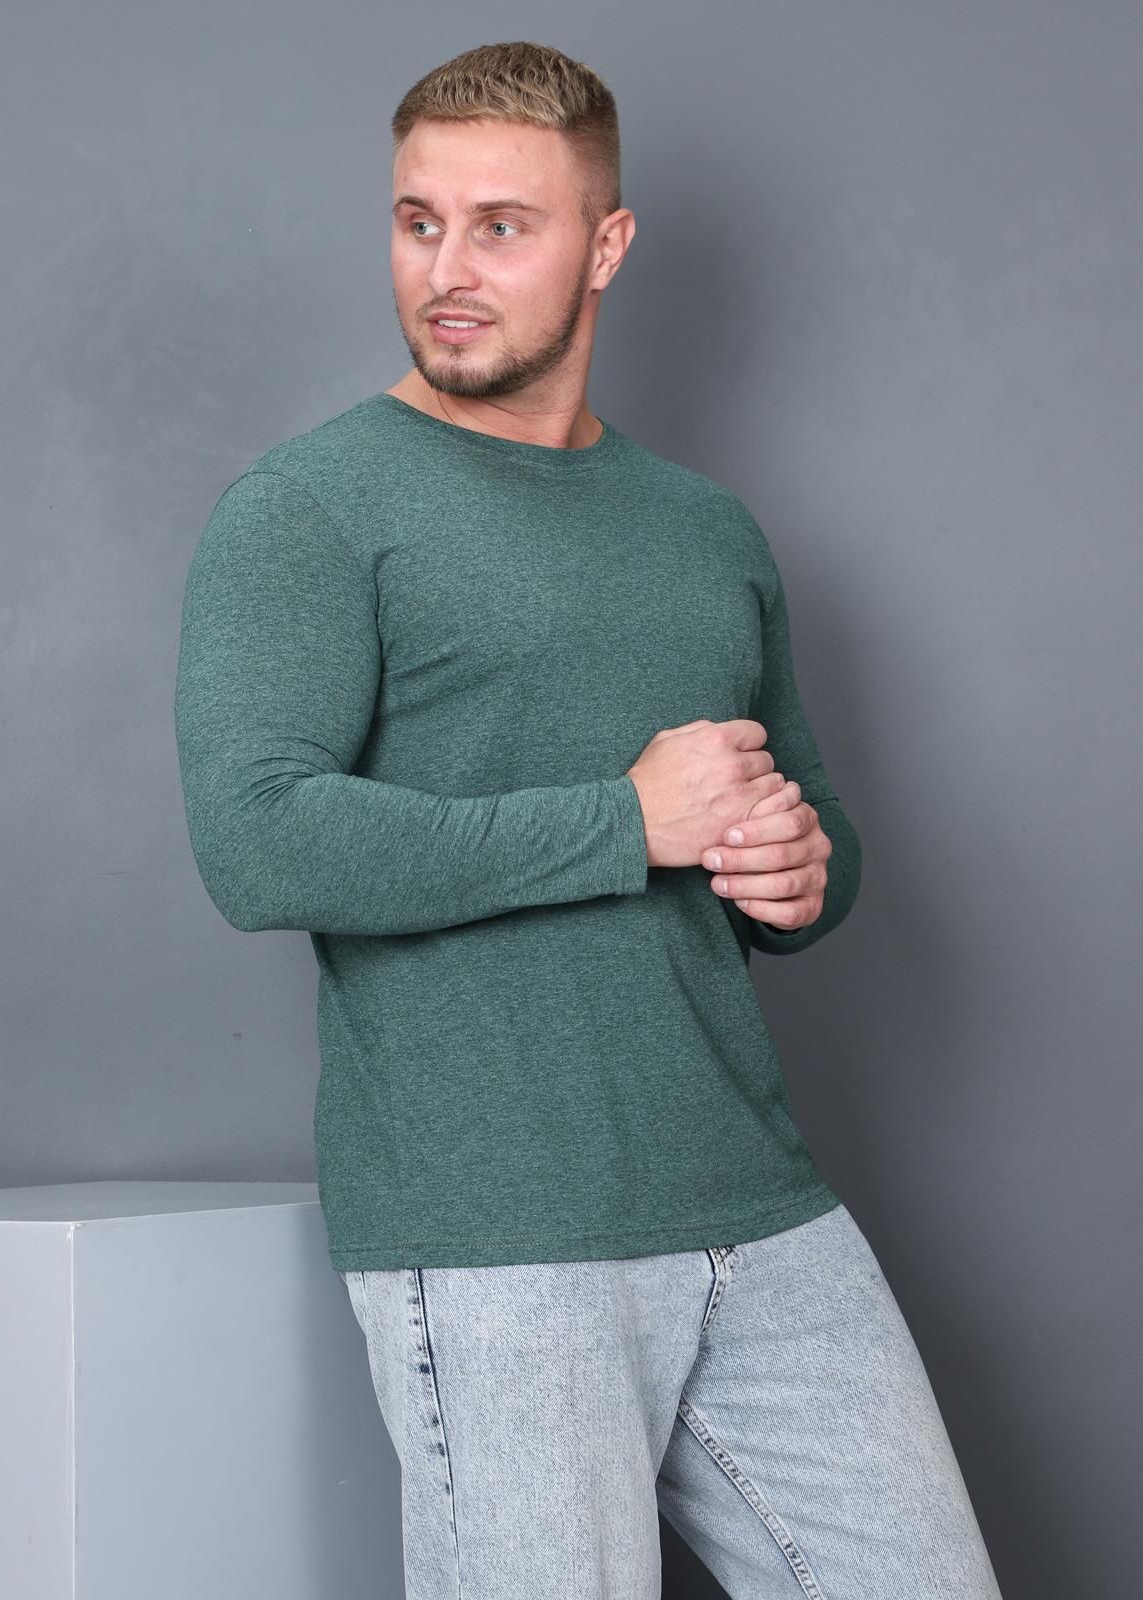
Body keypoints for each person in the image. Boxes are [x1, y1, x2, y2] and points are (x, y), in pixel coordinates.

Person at [174, 39, 1003, 1600]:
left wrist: (801, 870)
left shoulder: (704, 528)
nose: (449, 271)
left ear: (607, 244)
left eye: (503, 226)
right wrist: (625, 822)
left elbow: (802, 822)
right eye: (419, 222)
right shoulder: (310, 508)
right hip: (502, 1239)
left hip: (756, 1204)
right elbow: (258, 838)